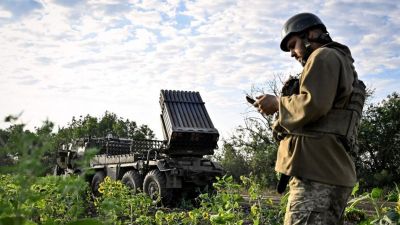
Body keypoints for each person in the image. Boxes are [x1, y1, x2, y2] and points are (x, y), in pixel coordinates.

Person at [254, 13, 365, 224]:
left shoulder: (323, 56)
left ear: (311, 35)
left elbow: (313, 104)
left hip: (317, 175)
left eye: (293, 44)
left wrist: (277, 103)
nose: (291, 53)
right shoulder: (339, 60)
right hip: (329, 172)